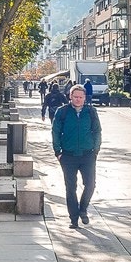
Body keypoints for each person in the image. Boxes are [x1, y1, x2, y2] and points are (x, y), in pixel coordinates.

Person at [51, 84, 102, 229]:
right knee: (70, 187)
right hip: (68, 156)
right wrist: (58, 151)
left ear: (85, 98)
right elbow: (55, 131)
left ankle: (83, 209)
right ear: (70, 97)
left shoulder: (91, 111)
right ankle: (73, 219)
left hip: (87, 154)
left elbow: (97, 131)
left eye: (81, 97)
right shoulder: (62, 111)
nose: (78, 99)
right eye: (75, 97)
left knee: (90, 184)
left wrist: (96, 149)